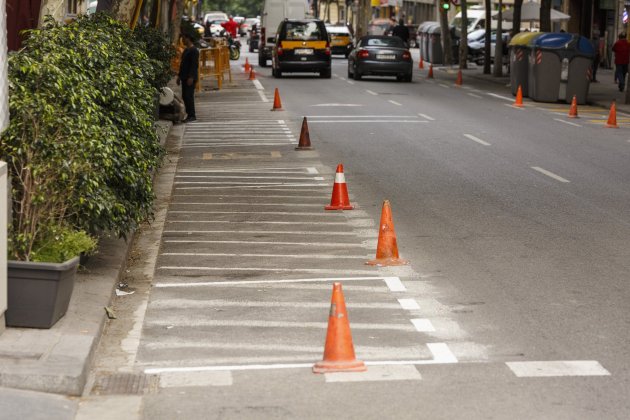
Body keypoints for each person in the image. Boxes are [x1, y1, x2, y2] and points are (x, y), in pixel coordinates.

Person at [177, 33, 199, 123]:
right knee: (184, 96)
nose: (183, 40)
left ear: (188, 38)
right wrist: (179, 76)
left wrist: (191, 77)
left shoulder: (194, 51)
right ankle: (189, 114)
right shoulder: (186, 50)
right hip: (184, 76)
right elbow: (182, 65)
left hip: (190, 77)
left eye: (184, 38)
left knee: (188, 96)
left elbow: (194, 65)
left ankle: (192, 115)